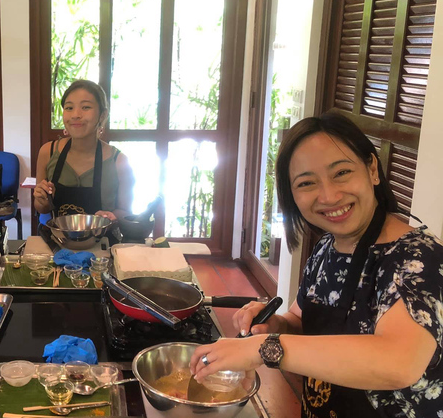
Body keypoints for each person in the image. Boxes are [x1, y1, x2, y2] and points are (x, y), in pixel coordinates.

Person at [189, 112, 443, 418]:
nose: (329, 195)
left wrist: (264, 348)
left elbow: (398, 363)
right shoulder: (327, 246)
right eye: (307, 182)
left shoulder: (418, 257)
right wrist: (274, 325)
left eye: (341, 173)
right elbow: (300, 319)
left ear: (372, 169)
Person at [34, 80, 134, 223]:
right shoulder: (47, 152)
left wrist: (110, 216)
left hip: (102, 242)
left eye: (86, 107)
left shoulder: (119, 161)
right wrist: (41, 201)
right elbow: (42, 208)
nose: (75, 114)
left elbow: (125, 212)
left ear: (102, 115)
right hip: (58, 241)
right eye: (69, 108)